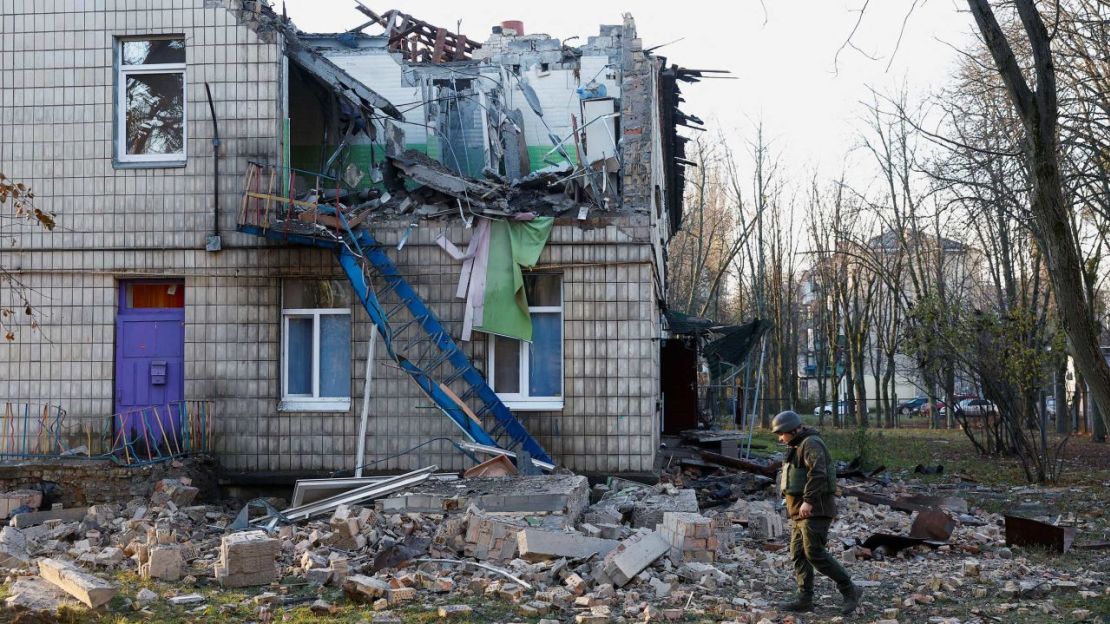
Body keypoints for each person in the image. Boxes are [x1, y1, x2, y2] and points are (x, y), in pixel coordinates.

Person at [772, 409, 863, 615]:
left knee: (814, 552)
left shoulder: (811, 443)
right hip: (799, 511)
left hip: (815, 509)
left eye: (781, 433)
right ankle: (805, 599)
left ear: (792, 430)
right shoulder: (797, 445)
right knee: (799, 554)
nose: (780, 438)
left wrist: (809, 500)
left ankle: (850, 590)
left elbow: (818, 472)